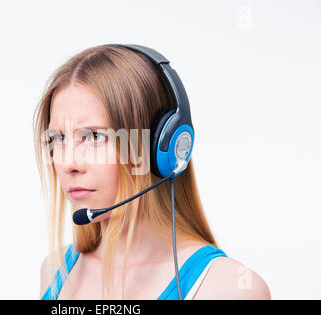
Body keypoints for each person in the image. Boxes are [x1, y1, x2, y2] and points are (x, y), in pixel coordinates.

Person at [32, 44, 271, 300]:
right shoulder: (56, 271)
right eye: (58, 138)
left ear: (160, 148)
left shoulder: (229, 288)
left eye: (94, 136)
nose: (69, 163)